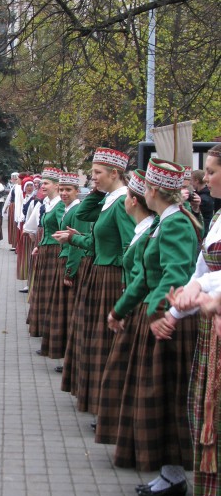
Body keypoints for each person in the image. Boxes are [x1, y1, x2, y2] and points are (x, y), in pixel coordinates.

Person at [107, 158, 200, 496]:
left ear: (154, 191)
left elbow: (176, 274)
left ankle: (174, 475)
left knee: (167, 397)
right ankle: (169, 472)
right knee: (158, 396)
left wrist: (162, 313)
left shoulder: (176, 224)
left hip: (171, 321)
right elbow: (148, 276)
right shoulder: (166, 221)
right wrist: (120, 310)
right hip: (160, 315)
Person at [164, 145, 221, 496]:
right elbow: (203, 268)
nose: (208, 178)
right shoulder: (218, 217)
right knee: (209, 417)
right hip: (211, 326)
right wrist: (179, 306)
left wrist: (205, 291)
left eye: (213, 171)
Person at [56, 148, 134, 416]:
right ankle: (97, 400)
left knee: (103, 341)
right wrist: (99, 191)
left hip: (111, 277)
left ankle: (106, 404)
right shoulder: (111, 198)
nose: (93, 179)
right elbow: (87, 216)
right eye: (92, 174)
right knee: (94, 338)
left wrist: (126, 287)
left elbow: (129, 248)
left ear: (115, 173)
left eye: (97, 173)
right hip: (101, 273)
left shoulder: (123, 202)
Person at [95, 170, 155, 443]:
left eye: (98, 172)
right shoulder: (148, 227)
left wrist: (124, 301)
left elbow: (146, 272)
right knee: (122, 370)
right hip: (135, 300)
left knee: (125, 371)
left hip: (143, 304)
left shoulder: (159, 227)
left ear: (132, 201)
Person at [39, 172, 87, 365]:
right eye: (62, 189)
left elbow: (76, 243)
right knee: (64, 310)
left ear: (77, 191)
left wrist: (70, 270)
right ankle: (65, 354)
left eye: (68, 190)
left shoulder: (77, 211)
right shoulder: (68, 209)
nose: (64, 193)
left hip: (70, 260)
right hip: (64, 257)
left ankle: (69, 355)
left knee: (68, 311)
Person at [26, 168, 64, 338]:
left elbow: (61, 231)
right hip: (46, 249)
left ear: (56, 185)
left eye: (46, 183)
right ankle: (42, 326)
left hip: (55, 251)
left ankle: (48, 328)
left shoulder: (60, 205)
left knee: (49, 291)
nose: (42, 186)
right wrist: (39, 245)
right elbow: (46, 230)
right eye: (42, 183)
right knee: (41, 289)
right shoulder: (48, 203)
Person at [192, 169, 215, 234]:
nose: (191, 183)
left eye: (191, 180)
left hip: (204, 230)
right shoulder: (204, 194)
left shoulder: (204, 199)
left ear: (196, 181)